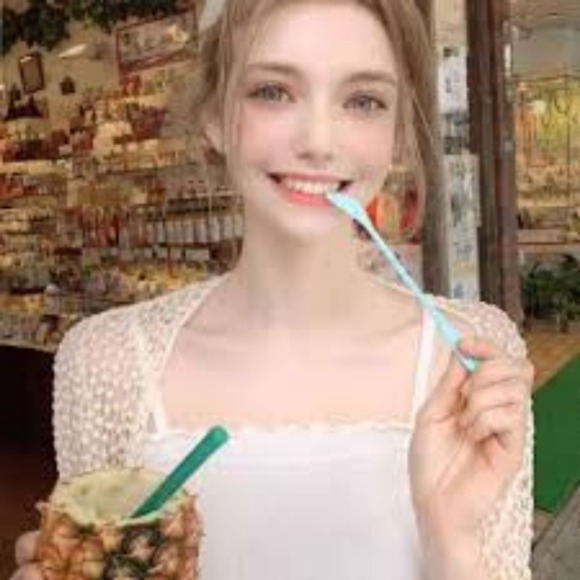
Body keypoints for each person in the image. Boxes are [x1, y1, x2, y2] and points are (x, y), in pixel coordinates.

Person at [12, 1, 534, 579]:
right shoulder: (105, 362)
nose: (318, 141)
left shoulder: (473, 357)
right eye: (273, 91)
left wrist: (452, 540)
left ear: (399, 134)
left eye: (364, 101)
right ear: (213, 114)